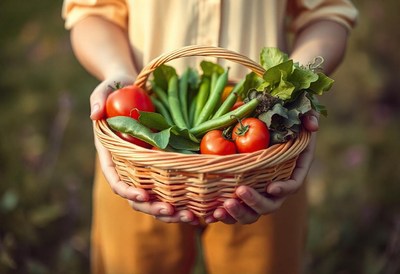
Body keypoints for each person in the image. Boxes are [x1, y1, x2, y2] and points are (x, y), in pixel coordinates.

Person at [62, 1, 358, 273]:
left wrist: (292, 92)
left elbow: (327, 13)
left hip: (262, 162)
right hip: (142, 159)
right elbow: (92, 11)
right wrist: (119, 75)